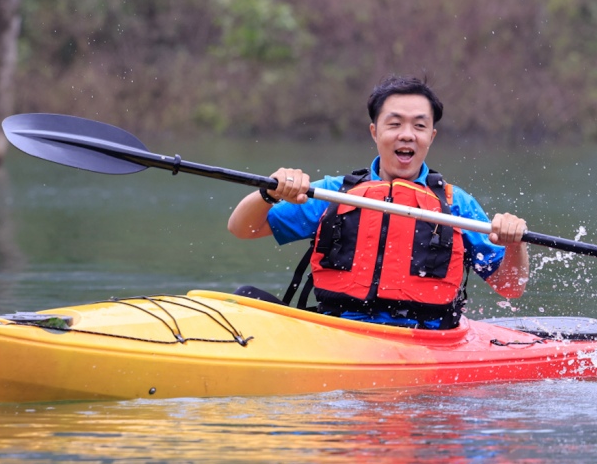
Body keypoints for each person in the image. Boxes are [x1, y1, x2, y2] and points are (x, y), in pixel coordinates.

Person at [226, 74, 529, 330]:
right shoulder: (335, 193)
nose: (407, 135)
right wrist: (270, 192)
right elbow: (243, 229)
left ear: (431, 136)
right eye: (395, 124)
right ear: (375, 132)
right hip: (339, 330)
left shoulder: (456, 204)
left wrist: (515, 243)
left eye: (419, 126)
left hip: (424, 341)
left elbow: (510, 287)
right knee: (246, 295)